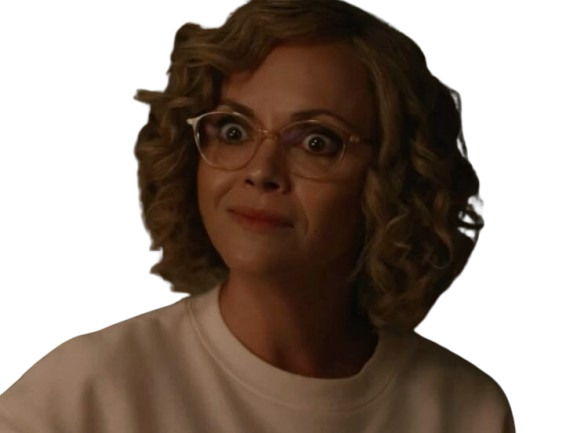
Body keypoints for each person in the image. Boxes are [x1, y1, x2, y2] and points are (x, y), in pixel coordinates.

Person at [0, 0, 514, 431]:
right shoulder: (80, 395)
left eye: (316, 141)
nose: (261, 171)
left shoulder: (465, 411)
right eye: (233, 131)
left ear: (397, 180)